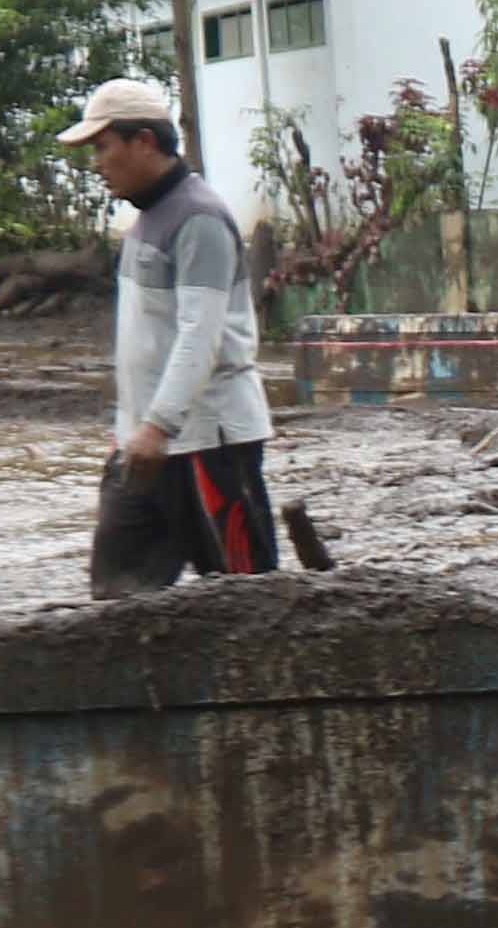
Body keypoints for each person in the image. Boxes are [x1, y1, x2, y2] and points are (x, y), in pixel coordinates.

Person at [66, 77, 313, 593]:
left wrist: (158, 425)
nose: (97, 163)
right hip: (144, 445)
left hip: (207, 442)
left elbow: (200, 334)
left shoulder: (197, 219)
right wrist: (135, 429)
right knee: (116, 591)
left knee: (245, 592)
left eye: (102, 147)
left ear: (144, 142)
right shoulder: (148, 218)